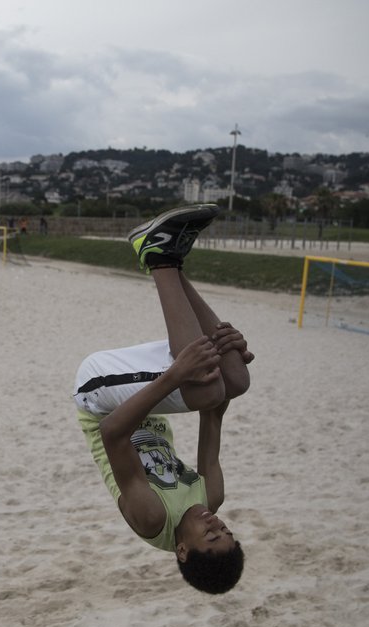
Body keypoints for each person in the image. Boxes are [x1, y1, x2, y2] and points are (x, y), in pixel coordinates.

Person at [74, 204, 252, 594]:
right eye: (226, 532)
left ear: (183, 551)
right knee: (236, 379)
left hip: (98, 396)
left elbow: (112, 432)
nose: (216, 525)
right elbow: (215, 414)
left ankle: (157, 256)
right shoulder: (212, 495)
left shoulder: (152, 519)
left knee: (206, 383)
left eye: (211, 537)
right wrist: (229, 354)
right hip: (143, 397)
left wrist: (176, 376)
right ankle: (172, 260)